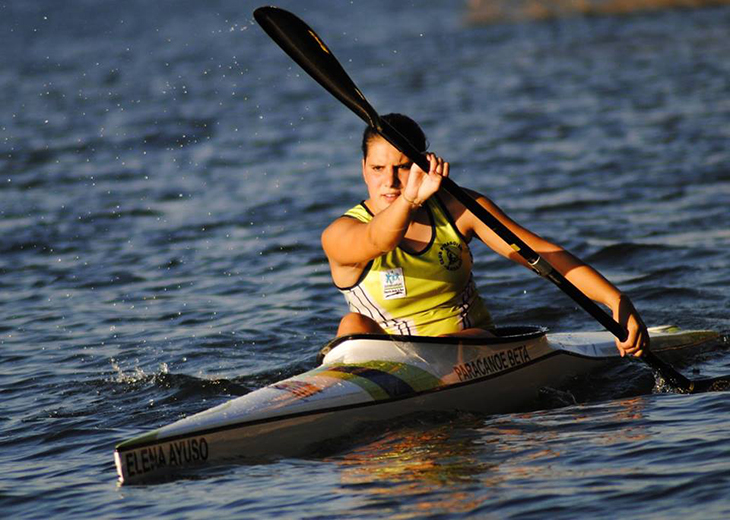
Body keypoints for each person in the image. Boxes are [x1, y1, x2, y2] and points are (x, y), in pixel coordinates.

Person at [321, 113, 648, 357]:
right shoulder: (340, 234)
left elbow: (540, 254)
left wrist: (616, 300)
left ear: (424, 165)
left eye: (403, 167)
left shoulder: (458, 209)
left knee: (446, 346)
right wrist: (410, 199)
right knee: (352, 325)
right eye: (378, 169)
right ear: (364, 168)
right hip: (386, 362)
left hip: (470, 347)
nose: (389, 181)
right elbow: (380, 240)